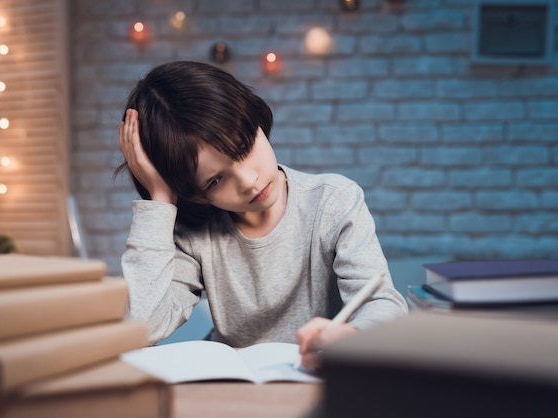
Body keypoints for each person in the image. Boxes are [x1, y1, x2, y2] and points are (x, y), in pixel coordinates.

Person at [116, 60, 408, 368]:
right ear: (194, 193)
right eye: (216, 180)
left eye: (244, 148)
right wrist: (160, 198)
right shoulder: (194, 234)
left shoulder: (333, 202)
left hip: (319, 379)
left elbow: (382, 304)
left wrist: (351, 336)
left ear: (257, 123)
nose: (248, 181)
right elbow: (142, 327)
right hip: (233, 387)